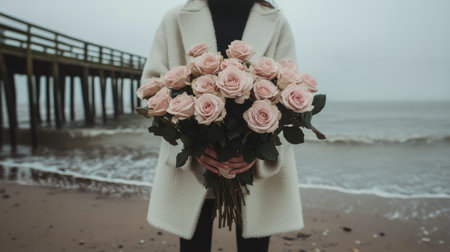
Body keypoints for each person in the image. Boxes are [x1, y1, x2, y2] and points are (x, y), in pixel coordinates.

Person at [140, 0, 304, 251]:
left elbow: (291, 91)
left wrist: (256, 154)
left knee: (255, 247)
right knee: (193, 245)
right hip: (195, 163)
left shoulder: (276, 20)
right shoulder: (175, 18)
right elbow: (151, 86)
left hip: (251, 163)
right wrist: (192, 146)